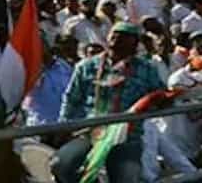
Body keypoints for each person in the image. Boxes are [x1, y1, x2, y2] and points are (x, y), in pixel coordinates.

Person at [53, 22, 166, 183]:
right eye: (114, 34)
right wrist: (64, 126)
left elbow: (160, 95)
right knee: (61, 165)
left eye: (124, 36)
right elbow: (72, 99)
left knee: (126, 178)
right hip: (89, 133)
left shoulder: (146, 69)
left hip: (126, 137)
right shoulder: (86, 66)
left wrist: (159, 101)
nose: (116, 38)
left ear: (134, 43)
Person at [22, 34, 75, 126]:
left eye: (41, 44)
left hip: (66, 125)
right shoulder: (27, 70)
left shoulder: (64, 66)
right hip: (39, 125)